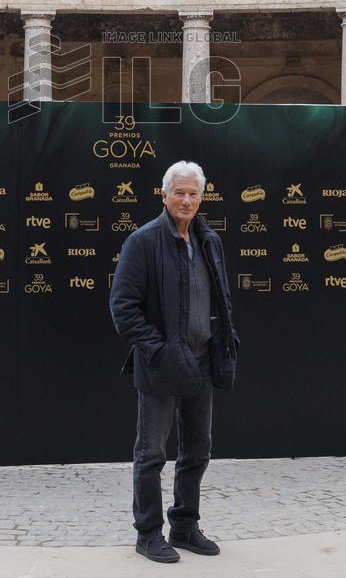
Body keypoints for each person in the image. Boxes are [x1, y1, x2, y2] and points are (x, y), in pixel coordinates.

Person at [110, 160, 239, 564]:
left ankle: (184, 526)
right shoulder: (143, 241)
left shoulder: (209, 240)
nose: (186, 200)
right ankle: (148, 533)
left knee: (198, 451)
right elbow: (123, 308)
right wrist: (160, 351)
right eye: (178, 192)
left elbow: (221, 297)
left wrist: (223, 341)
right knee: (151, 454)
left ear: (202, 197)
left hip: (202, 363)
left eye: (193, 193)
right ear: (163, 194)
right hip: (162, 366)